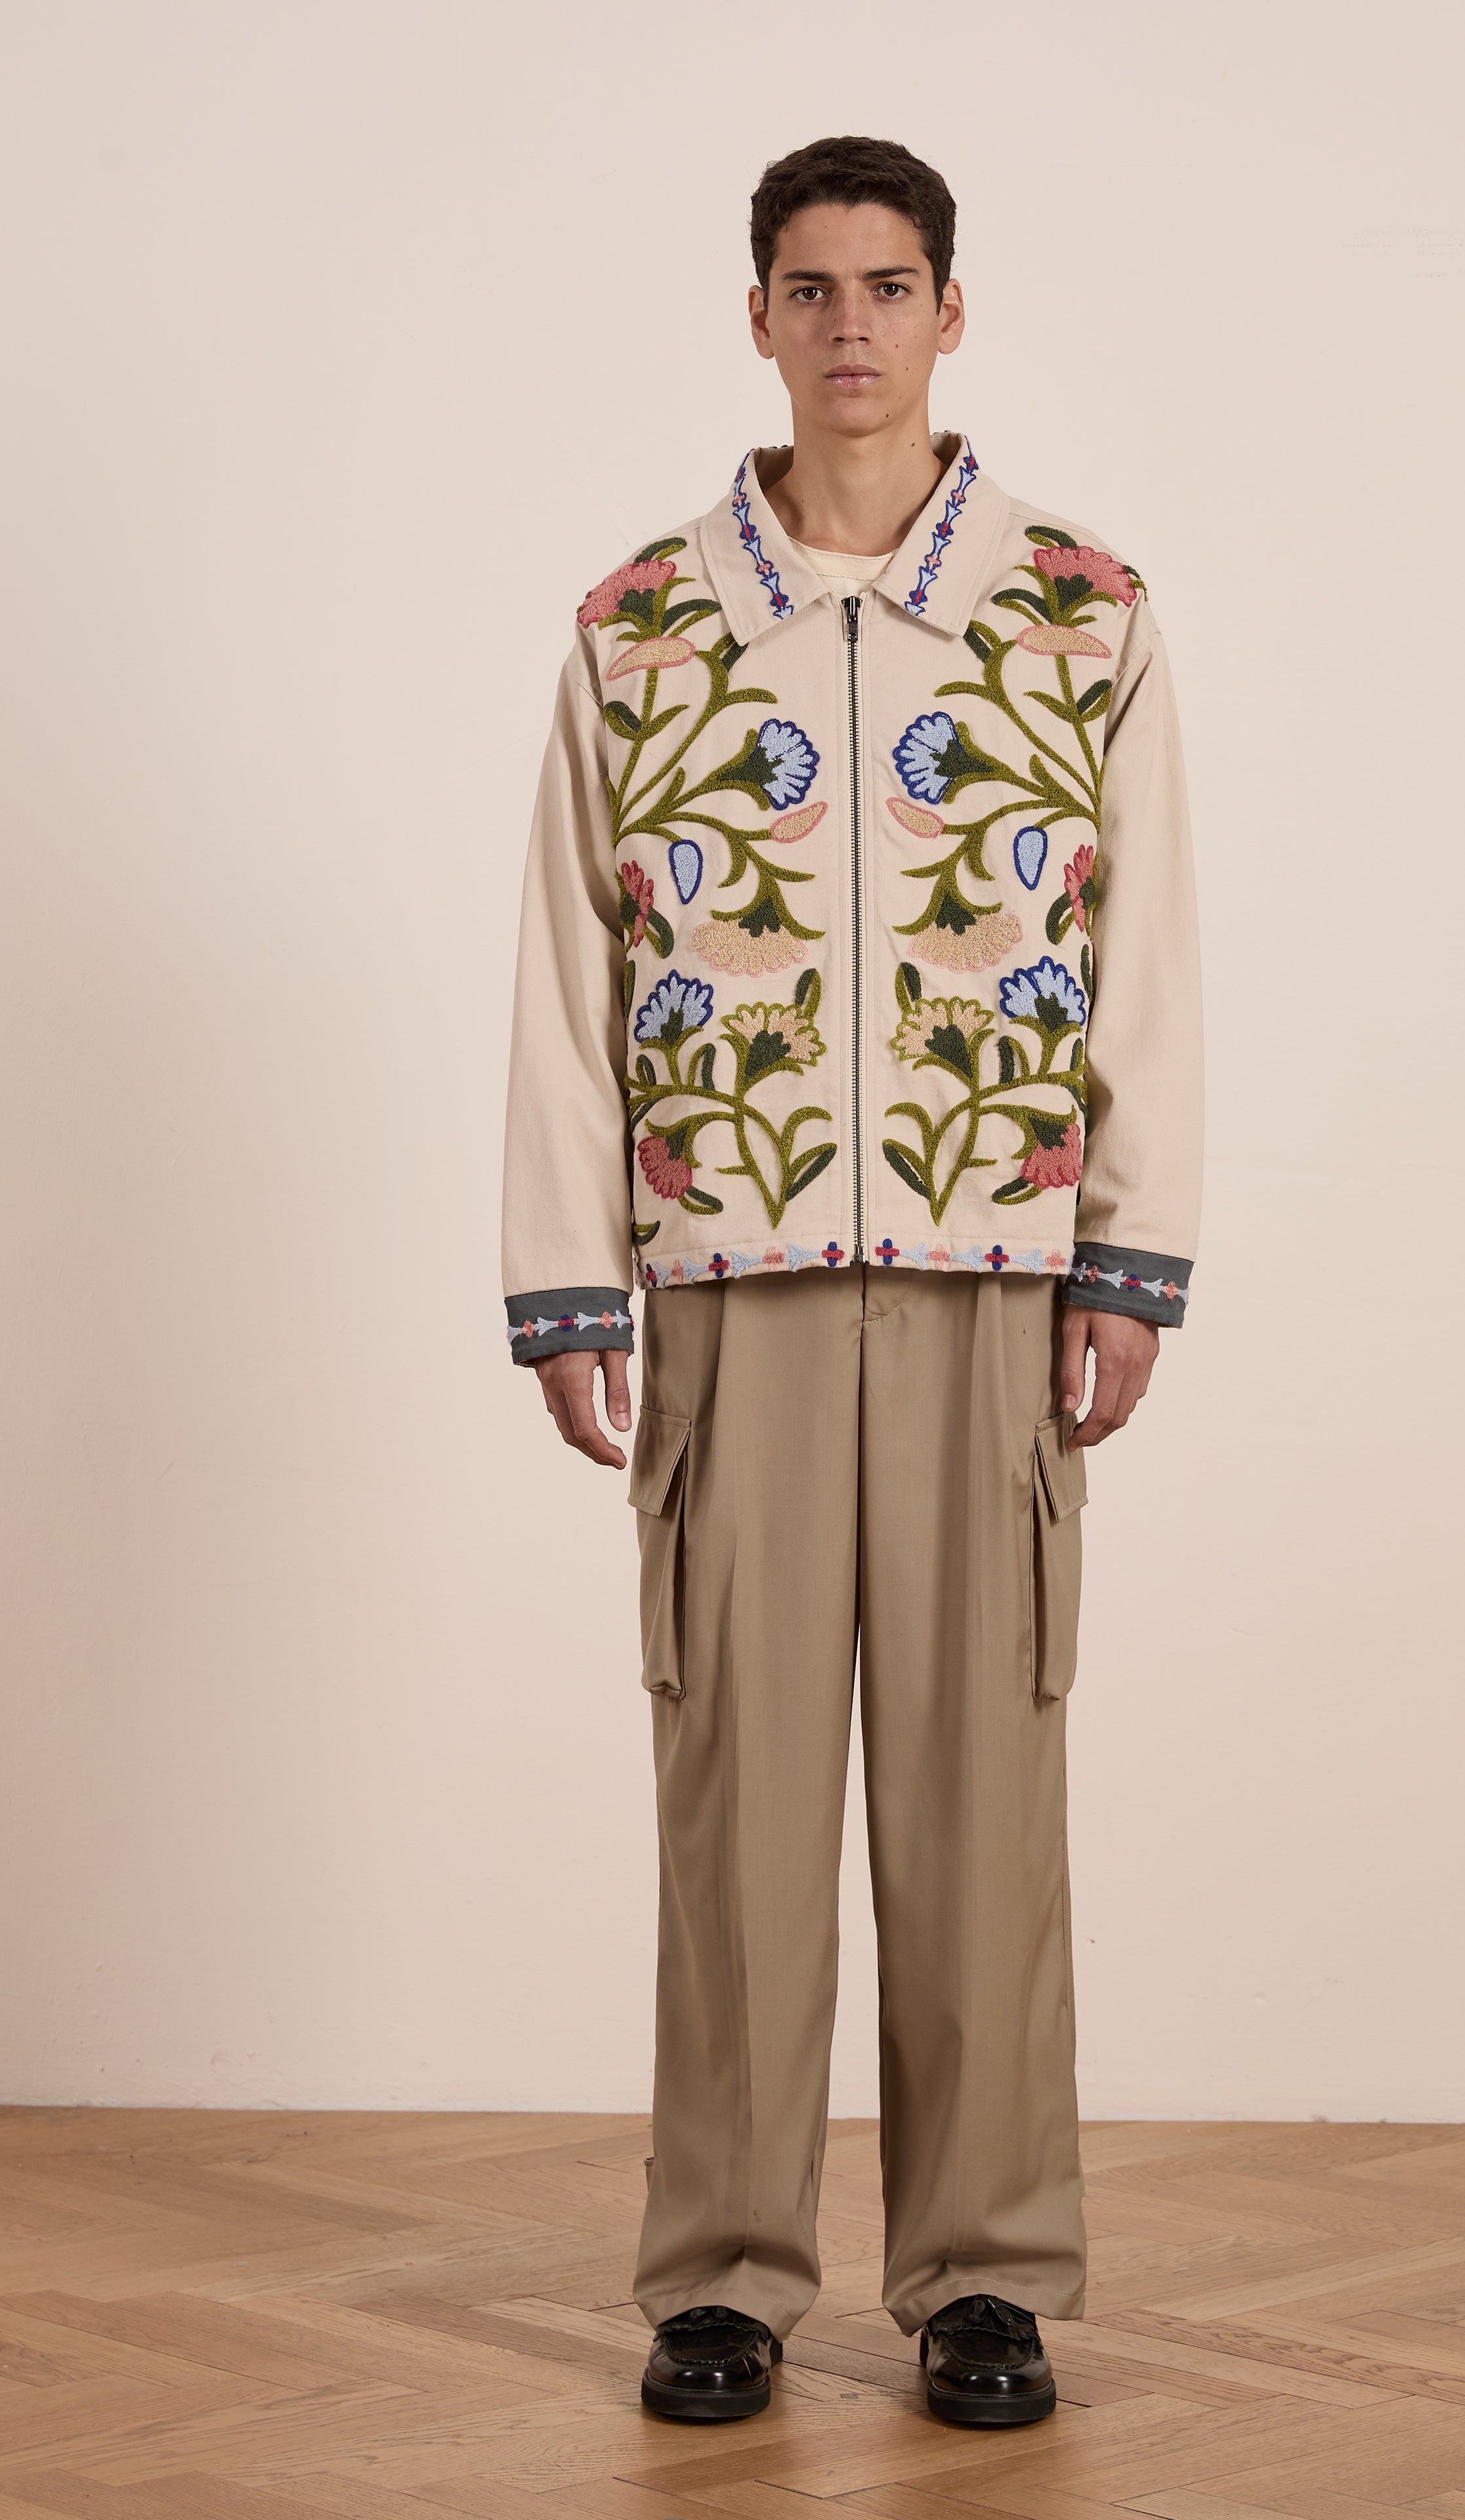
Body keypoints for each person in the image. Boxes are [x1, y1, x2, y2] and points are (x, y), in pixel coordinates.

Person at [501, 135, 1202, 2428]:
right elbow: (560, 976)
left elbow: (1148, 948)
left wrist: (1133, 1249)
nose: (851, 328)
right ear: (760, 316)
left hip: (998, 1271)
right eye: (809, 288)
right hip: (733, 1277)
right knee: (737, 1801)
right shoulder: (640, 626)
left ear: (952, 308)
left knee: (987, 1798)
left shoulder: (1079, 612)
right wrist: (572, 1281)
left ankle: (983, 2274)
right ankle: (720, 2273)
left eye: (888, 284)